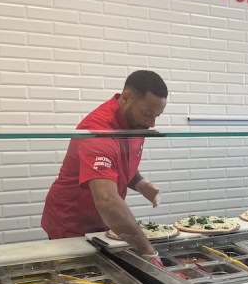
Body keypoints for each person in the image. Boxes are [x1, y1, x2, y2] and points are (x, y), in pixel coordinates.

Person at [41, 70, 168, 261]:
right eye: (148, 114)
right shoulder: (97, 131)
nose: (150, 123)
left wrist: (140, 183)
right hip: (71, 223)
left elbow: (119, 160)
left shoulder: (135, 122)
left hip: (103, 224)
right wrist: (150, 253)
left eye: (156, 116)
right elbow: (107, 202)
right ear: (126, 98)